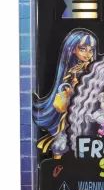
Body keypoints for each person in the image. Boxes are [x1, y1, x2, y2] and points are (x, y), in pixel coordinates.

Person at [32, 29, 97, 157]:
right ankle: (57, 163)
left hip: (86, 110)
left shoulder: (92, 70)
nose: (88, 54)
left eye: (91, 50)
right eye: (83, 49)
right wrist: (71, 89)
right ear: (72, 49)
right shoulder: (72, 70)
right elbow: (66, 90)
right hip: (71, 111)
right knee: (62, 143)